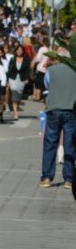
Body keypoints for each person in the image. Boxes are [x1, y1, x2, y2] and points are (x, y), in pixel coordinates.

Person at [39, 50, 76, 189]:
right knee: (70, 144)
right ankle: (69, 179)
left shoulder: (51, 70)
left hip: (54, 109)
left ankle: (47, 177)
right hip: (71, 109)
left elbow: (47, 85)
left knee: (50, 143)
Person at [7, 46, 30, 120]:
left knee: (18, 97)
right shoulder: (12, 59)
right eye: (18, 50)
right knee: (14, 94)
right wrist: (7, 80)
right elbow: (9, 69)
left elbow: (27, 70)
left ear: (23, 51)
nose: (19, 51)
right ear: (16, 51)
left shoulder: (26, 60)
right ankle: (15, 113)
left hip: (21, 79)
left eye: (21, 50)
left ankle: (15, 108)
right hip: (12, 79)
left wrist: (27, 78)